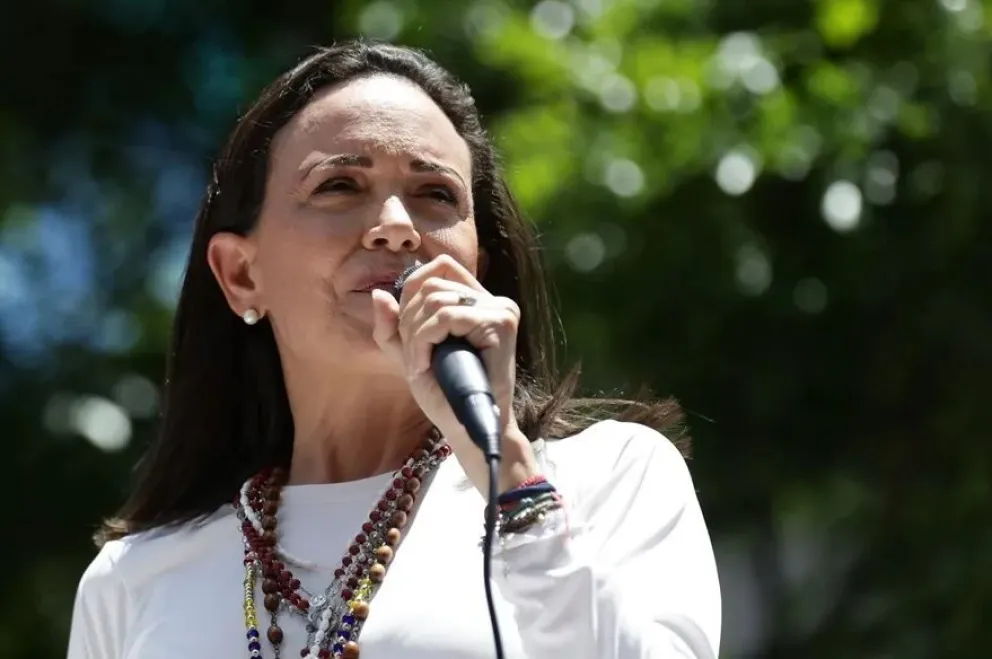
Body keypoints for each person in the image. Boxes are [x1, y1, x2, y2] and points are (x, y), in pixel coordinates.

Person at [67, 41, 721, 659]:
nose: (397, 229)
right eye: (339, 186)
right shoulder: (133, 579)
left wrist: (508, 473)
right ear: (241, 273)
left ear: (478, 267)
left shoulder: (609, 479)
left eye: (435, 194)